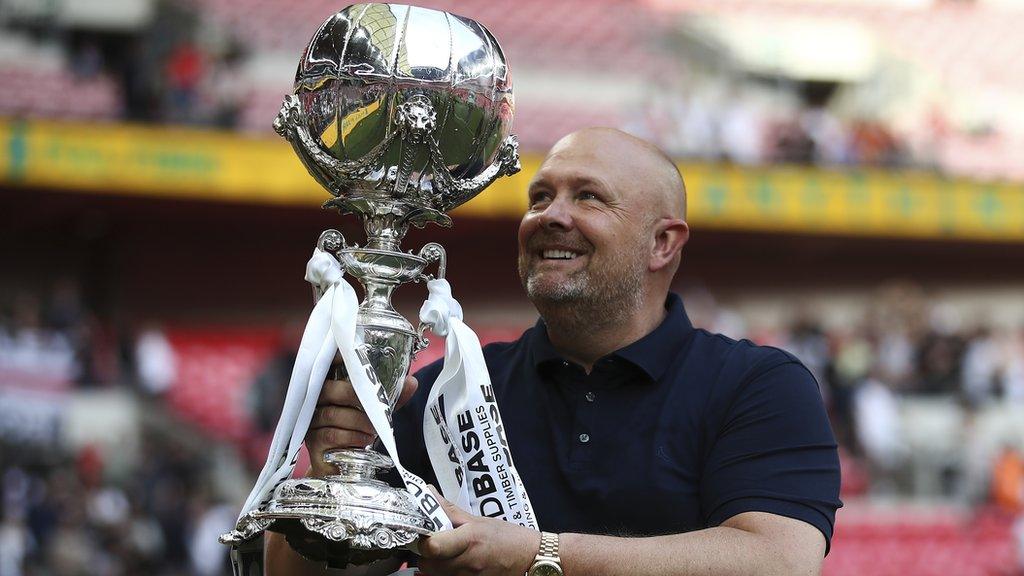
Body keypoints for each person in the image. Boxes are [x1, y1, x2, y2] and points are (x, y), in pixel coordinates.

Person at [266, 128, 842, 576]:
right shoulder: (451, 392)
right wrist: (334, 474)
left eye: (588, 197)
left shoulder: (758, 384)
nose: (551, 216)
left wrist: (535, 555)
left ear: (662, 242)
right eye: (540, 197)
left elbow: (779, 561)